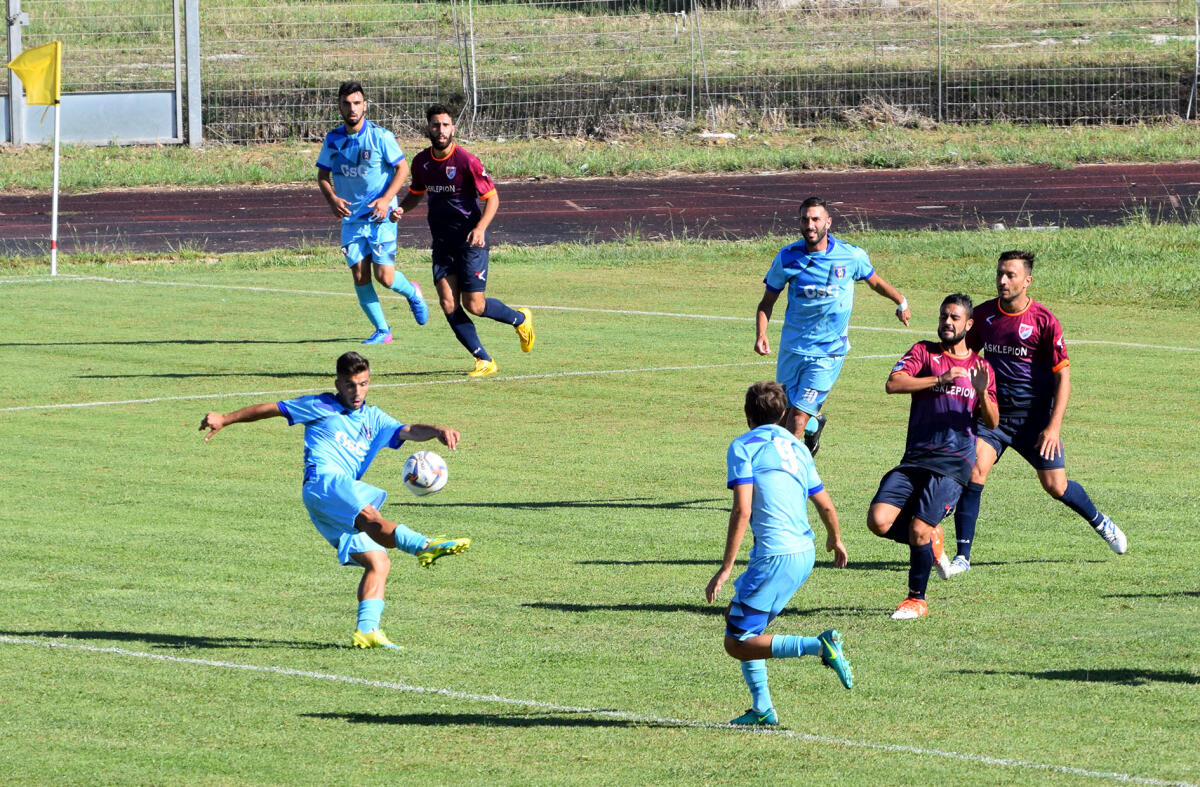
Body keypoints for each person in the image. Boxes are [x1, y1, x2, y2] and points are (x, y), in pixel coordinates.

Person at [199, 351, 470, 650]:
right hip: (324, 482)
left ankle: (367, 631)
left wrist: (437, 432)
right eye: (351, 385)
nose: (357, 392)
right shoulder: (319, 405)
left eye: (364, 384)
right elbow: (272, 408)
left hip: (332, 496)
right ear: (339, 383)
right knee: (371, 520)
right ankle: (424, 546)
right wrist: (225, 418)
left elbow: (407, 430)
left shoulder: (374, 418)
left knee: (378, 561)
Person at [946, 251, 1127, 576]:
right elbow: (964, 353)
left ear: (1027, 280)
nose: (1003, 280)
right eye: (1000, 273)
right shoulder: (985, 315)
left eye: (1011, 275)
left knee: (1056, 486)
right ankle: (962, 556)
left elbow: (1064, 377)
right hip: (994, 418)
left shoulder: (1044, 321)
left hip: (1035, 423)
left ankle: (1101, 522)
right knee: (975, 471)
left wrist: (1053, 427)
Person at [705, 381, 853, 727]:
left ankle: (819, 646)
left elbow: (742, 510)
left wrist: (726, 568)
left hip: (775, 555)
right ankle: (762, 709)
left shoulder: (743, 447)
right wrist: (836, 539)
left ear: (746, 415)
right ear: (785, 413)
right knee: (742, 622)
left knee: (737, 643)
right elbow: (825, 504)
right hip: (804, 551)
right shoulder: (799, 449)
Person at [867, 294, 999, 620]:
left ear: (969, 324)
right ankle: (933, 538)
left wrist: (981, 391)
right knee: (879, 521)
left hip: (954, 463)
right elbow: (893, 384)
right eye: (944, 317)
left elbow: (992, 422)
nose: (947, 323)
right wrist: (940, 379)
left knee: (917, 529)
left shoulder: (981, 368)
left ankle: (917, 600)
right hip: (915, 457)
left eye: (954, 318)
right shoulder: (924, 352)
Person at [755, 196, 910, 456]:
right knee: (781, 417)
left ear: (828, 222)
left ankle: (790, 480)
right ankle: (816, 425)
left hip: (828, 353)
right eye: (805, 219)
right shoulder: (787, 258)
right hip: (792, 350)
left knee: (795, 423)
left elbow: (875, 282)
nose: (810, 225)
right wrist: (761, 333)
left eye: (815, 219)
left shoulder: (850, 256)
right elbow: (766, 302)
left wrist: (901, 301)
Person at [392, 104, 533, 378]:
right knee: (448, 303)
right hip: (442, 243)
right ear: (428, 128)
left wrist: (480, 228)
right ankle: (483, 360)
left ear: (453, 128)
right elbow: (416, 192)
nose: (441, 130)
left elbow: (491, 198)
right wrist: (401, 208)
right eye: (436, 125)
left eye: (445, 125)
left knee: (475, 305)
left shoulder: (467, 161)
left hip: (471, 241)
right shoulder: (421, 162)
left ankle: (521, 319)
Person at [316, 81, 428, 345]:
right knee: (359, 274)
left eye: (357, 103)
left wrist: (385, 200)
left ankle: (412, 292)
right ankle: (382, 330)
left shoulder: (381, 137)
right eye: (347, 103)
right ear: (339, 106)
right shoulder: (333, 139)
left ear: (365, 105)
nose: (352, 108)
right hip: (351, 220)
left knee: (385, 278)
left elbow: (402, 169)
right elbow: (322, 175)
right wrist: (332, 198)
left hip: (381, 218)